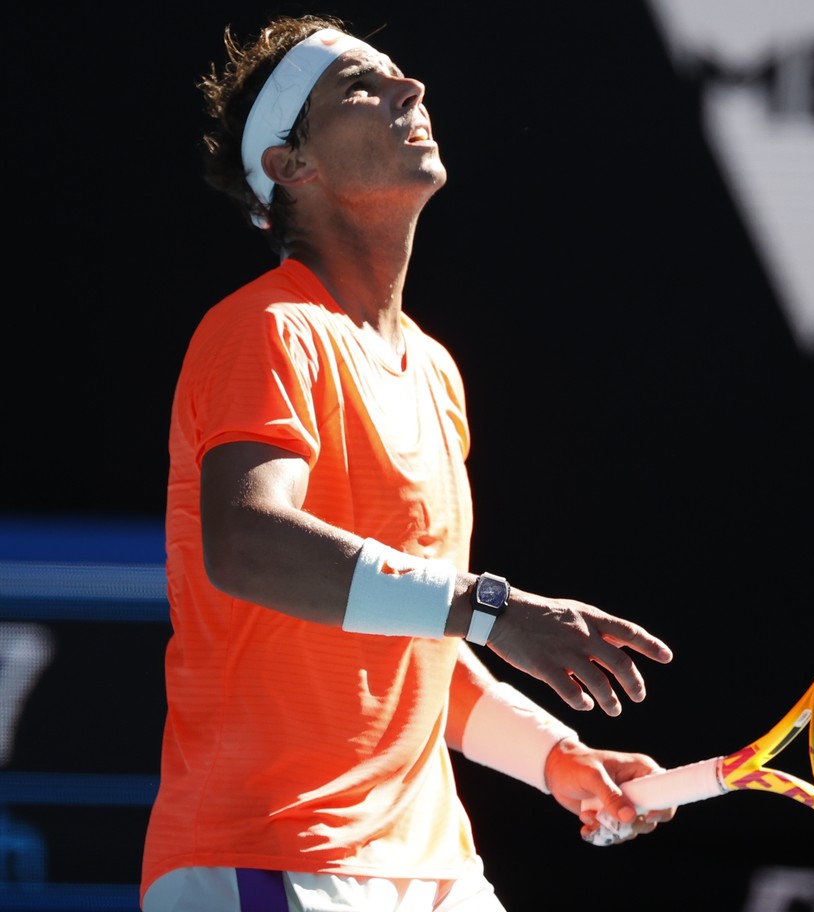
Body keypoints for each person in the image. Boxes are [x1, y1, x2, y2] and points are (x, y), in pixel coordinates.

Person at [141, 14, 675, 911]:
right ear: (290, 165)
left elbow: (415, 646)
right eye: (360, 85)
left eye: (400, 73)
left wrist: (556, 758)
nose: (410, 89)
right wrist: (490, 608)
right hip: (272, 858)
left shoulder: (433, 369)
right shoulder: (265, 330)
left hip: (435, 870)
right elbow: (247, 547)